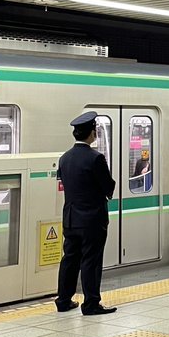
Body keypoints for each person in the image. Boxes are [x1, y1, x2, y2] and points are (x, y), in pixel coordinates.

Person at [55, 111, 117, 315]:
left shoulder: (64, 158)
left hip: (71, 218)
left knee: (70, 259)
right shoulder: (96, 158)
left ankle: (63, 300)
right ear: (92, 133)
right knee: (91, 260)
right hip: (92, 220)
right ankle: (91, 303)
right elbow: (108, 186)